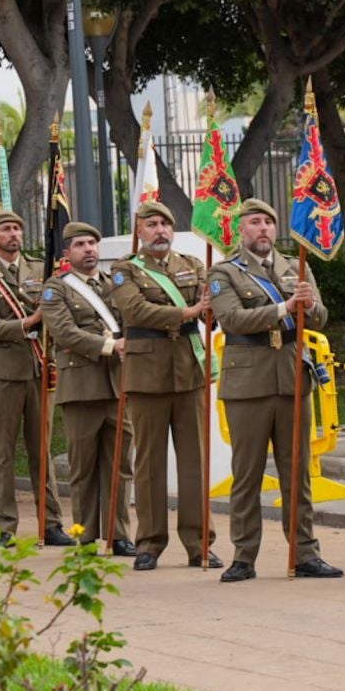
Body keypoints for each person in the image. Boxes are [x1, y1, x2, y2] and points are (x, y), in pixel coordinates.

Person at [209, 199, 343, 582]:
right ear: (242, 230)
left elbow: (318, 319)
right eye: (255, 222)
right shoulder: (224, 272)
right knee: (247, 473)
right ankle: (244, 556)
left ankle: (304, 553)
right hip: (248, 381)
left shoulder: (295, 267)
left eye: (269, 221)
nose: (264, 228)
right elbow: (232, 318)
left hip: (291, 377)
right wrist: (285, 307)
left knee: (296, 471)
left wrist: (309, 303)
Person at [108, 201, 217, 571]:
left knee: (194, 463)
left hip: (188, 371)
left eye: (165, 225)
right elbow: (134, 312)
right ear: (139, 231)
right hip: (147, 375)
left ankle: (200, 542)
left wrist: (212, 308)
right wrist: (187, 313)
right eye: (151, 224)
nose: (160, 231)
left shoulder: (193, 264)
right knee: (150, 464)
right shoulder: (124, 270)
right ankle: (149, 543)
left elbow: (210, 308)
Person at [0, 210, 69, 547]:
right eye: (5, 229)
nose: (12, 234)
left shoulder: (40, 269)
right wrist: (31, 321)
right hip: (3, 372)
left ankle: (51, 523)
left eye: (17, 228)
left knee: (41, 449)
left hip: (40, 368)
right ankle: (2, 525)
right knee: (1, 452)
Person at [42, 222, 139, 556]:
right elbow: (65, 333)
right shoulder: (56, 289)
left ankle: (119, 533)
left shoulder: (115, 284)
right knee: (83, 466)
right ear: (67, 254)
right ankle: (84, 535)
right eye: (81, 244)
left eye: (93, 243)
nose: (89, 249)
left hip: (118, 385)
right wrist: (112, 346)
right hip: (82, 386)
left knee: (120, 466)